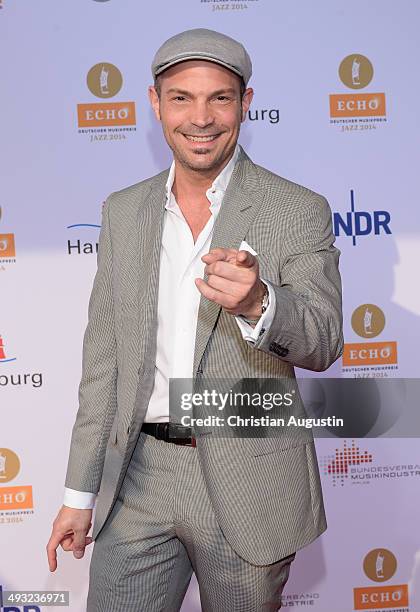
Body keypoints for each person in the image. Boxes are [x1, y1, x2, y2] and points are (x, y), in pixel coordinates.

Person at [47, 28, 344, 611]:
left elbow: (324, 339)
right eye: (181, 97)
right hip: (138, 477)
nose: (201, 117)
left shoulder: (298, 209)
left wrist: (260, 301)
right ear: (154, 104)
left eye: (220, 98)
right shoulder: (123, 210)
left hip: (250, 478)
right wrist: (79, 492)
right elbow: (103, 362)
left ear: (246, 104)